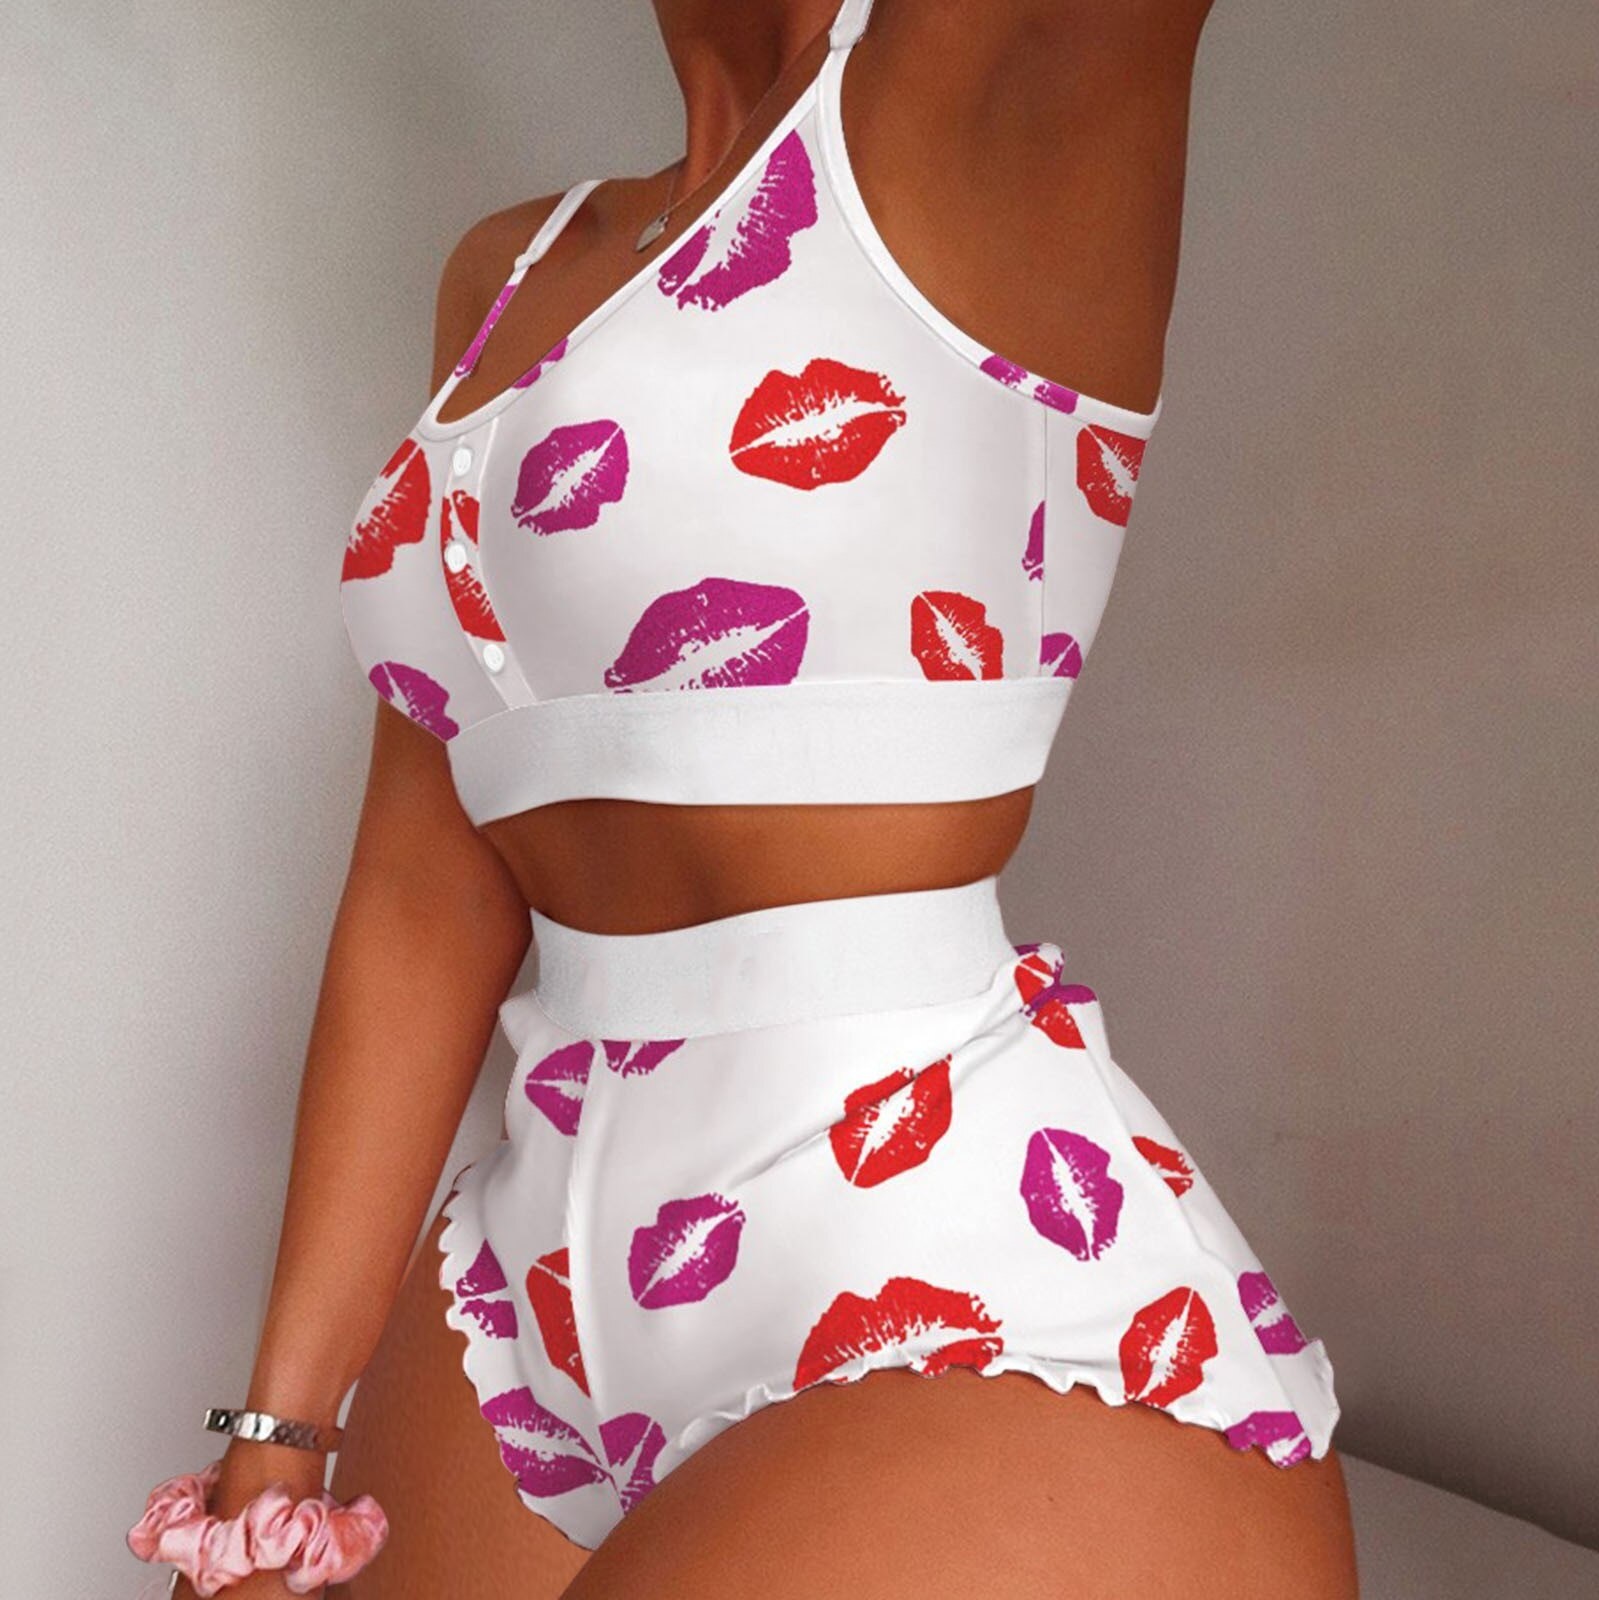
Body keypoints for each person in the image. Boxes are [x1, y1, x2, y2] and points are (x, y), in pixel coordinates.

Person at [128, 2, 1359, 1595]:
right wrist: (276, 1446)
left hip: (958, 1265)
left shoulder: (975, 91)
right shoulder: (509, 267)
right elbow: (430, 881)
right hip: (534, 1275)